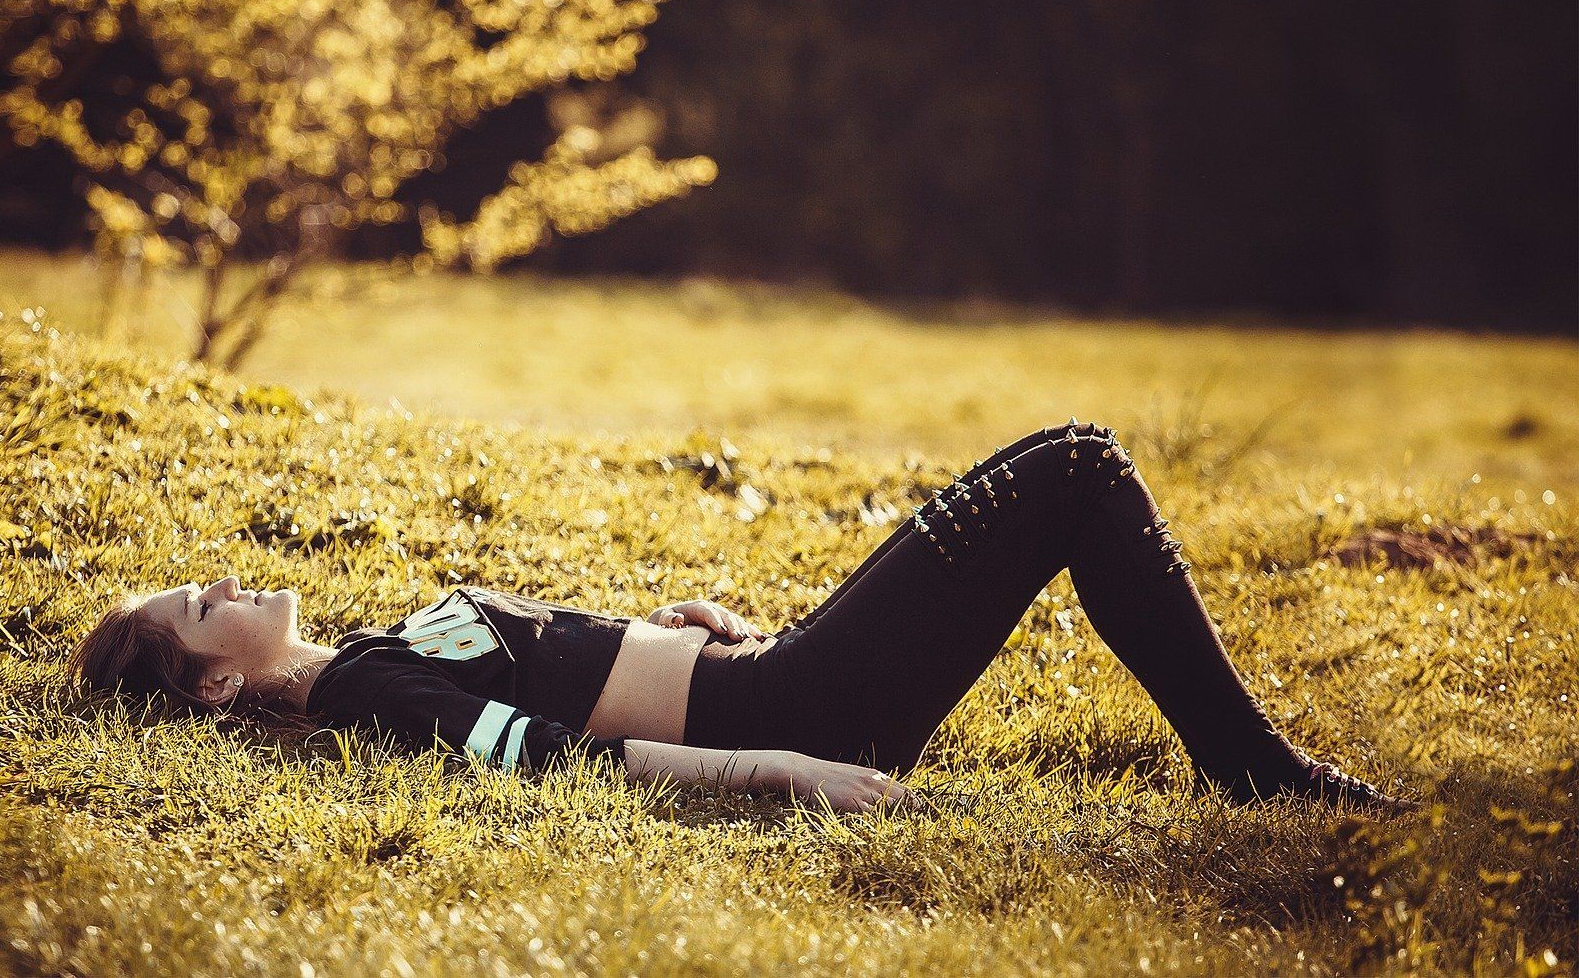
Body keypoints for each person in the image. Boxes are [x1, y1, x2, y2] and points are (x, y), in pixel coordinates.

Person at [69, 419, 1417, 815]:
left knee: (1074, 473)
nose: (223, 583)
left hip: (763, 668)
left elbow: (554, 684)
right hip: (798, 709)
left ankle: (1248, 762)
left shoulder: (372, 657)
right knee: (1072, 470)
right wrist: (789, 770)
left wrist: (657, 633)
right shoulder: (365, 694)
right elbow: (564, 762)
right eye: (201, 609)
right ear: (213, 686)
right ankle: (1252, 767)